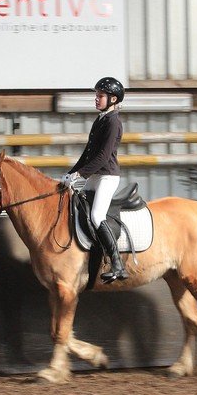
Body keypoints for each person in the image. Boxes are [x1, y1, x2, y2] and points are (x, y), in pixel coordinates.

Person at [61, 76, 128, 282]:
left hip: (107, 176)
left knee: (97, 216)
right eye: (96, 95)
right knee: (77, 207)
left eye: (100, 96)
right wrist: (71, 172)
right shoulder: (100, 119)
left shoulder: (114, 122)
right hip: (96, 174)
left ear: (113, 99)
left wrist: (80, 175)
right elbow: (87, 154)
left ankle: (117, 265)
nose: (96, 99)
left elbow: (103, 157)